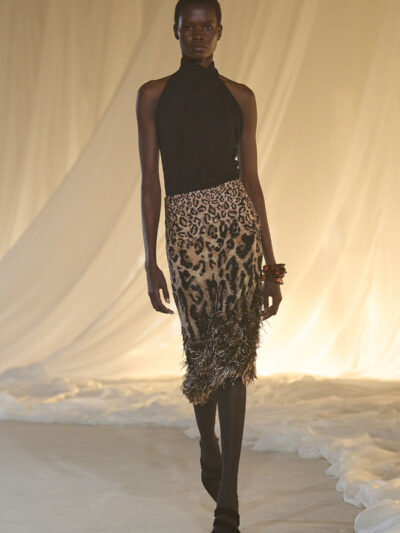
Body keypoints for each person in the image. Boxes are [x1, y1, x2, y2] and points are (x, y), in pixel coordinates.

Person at [136, 1, 285, 531]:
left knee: (235, 359)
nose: (198, 35)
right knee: (201, 352)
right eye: (189, 27)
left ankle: (229, 499)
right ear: (175, 31)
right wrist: (150, 260)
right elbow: (150, 182)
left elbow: (253, 183)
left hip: (238, 232)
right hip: (186, 235)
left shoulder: (240, 97)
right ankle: (207, 442)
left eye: (207, 27)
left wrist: (270, 266)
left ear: (220, 32)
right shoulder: (153, 95)